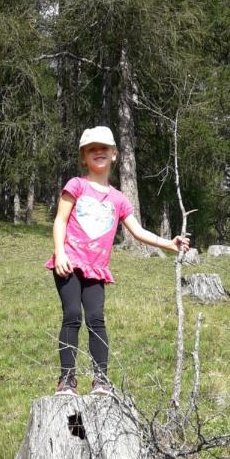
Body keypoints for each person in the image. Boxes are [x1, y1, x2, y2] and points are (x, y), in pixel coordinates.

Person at [46, 126, 190, 395]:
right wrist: (60, 253)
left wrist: (169, 244)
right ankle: (67, 380)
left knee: (96, 319)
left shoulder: (119, 199)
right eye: (91, 149)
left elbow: (137, 231)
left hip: (96, 269)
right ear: (84, 157)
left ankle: (101, 380)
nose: (98, 152)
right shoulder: (75, 186)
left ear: (114, 154)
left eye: (104, 148)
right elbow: (60, 220)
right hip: (69, 263)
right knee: (73, 316)